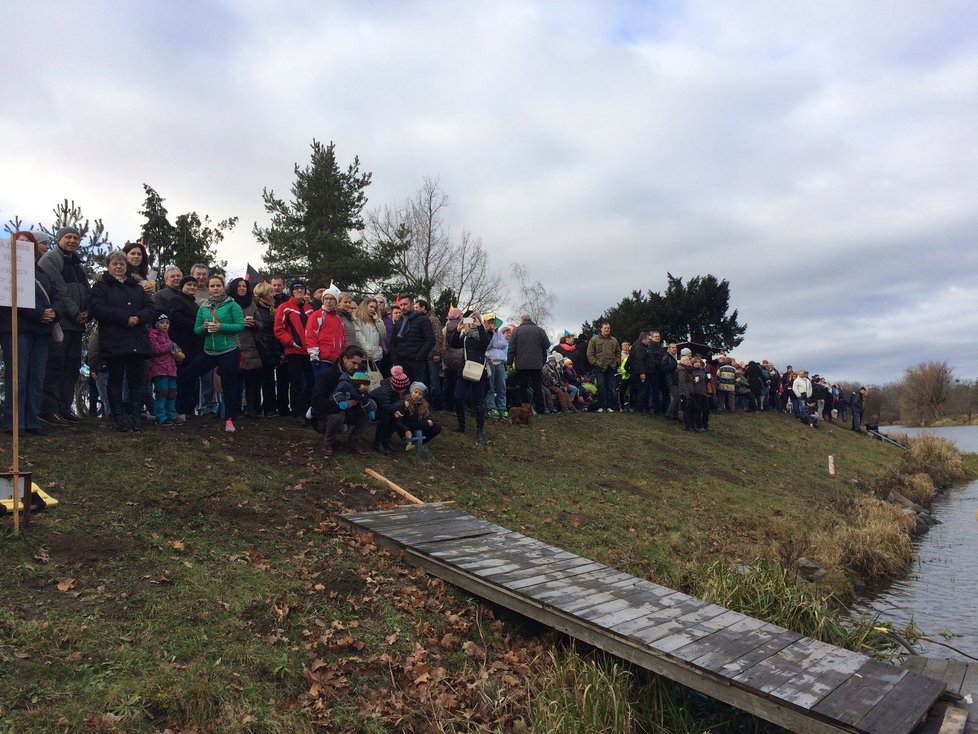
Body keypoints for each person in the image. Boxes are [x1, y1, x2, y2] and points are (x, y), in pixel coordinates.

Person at [1, 232, 66, 436]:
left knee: (37, 376)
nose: (24, 246)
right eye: (19, 243)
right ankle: (13, 421)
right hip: (17, 329)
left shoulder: (42, 273)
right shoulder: (6, 271)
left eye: (28, 243)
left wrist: (54, 312)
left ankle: (31, 419)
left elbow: (57, 296)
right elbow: (9, 301)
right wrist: (38, 314)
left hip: (41, 332)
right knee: (18, 376)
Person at [89, 250, 157, 433]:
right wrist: (125, 318)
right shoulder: (101, 287)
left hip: (137, 338)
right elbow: (98, 308)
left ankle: (136, 416)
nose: (119, 267)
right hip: (114, 339)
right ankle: (118, 417)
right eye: (115, 264)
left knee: (137, 380)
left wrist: (138, 318)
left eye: (122, 264)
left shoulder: (136, 287)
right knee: (116, 379)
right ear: (108, 266)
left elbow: (150, 307)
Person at [38, 225, 91, 425]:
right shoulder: (51, 259)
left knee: (72, 366)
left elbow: (87, 290)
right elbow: (59, 290)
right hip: (61, 323)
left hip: (77, 324)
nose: (72, 241)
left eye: (76, 238)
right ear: (59, 239)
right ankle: (47, 409)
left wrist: (88, 312)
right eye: (68, 237)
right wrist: (76, 313)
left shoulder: (77, 264)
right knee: (55, 365)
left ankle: (64, 407)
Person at [178, 274, 245, 433]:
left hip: (229, 349)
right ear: (208, 289)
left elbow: (240, 326)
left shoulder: (232, 305)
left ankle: (229, 418)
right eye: (212, 286)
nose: (215, 288)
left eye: (218, 286)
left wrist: (221, 326)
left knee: (228, 383)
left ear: (223, 288)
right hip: (209, 350)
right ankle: (181, 411)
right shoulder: (204, 307)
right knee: (188, 375)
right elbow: (197, 330)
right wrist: (205, 328)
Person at [309, 345, 368, 456]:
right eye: (353, 363)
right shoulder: (327, 376)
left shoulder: (358, 377)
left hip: (348, 411)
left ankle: (354, 442)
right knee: (337, 415)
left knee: (368, 409)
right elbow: (316, 402)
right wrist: (341, 405)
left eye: (359, 364)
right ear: (345, 358)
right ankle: (327, 443)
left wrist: (363, 395)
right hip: (325, 416)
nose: (356, 367)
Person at [274, 280, 314, 421]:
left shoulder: (310, 308)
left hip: (309, 352)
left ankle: (308, 411)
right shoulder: (284, 307)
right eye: (296, 289)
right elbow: (279, 329)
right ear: (291, 291)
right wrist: (291, 342)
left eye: (301, 288)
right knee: (297, 382)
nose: (299, 291)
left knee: (310, 381)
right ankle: (297, 412)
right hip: (293, 351)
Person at [450, 313, 491, 443]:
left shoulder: (484, 333)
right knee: (457, 397)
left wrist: (480, 327)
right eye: (471, 319)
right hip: (465, 369)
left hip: (479, 371)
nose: (472, 322)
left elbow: (485, 343)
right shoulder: (466, 334)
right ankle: (461, 425)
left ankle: (480, 431)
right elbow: (454, 344)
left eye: (475, 319)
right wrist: (458, 329)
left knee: (478, 401)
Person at [228, 277, 264, 418]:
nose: (242, 288)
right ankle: (235, 410)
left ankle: (252, 409)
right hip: (234, 345)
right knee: (235, 382)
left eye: (244, 286)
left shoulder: (252, 305)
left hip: (251, 347)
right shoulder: (228, 304)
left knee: (253, 383)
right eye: (239, 286)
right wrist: (239, 323)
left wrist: (254, 323)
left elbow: (261, 325)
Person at [251, 282, 282, 416]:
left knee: (268, 378)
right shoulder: (259, 310)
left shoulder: (270, 309)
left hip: (270, 347)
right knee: (261, 379)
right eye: (270, 292)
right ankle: (263, 407)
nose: (273, 295)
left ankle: (268, 407)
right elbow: (263, 330)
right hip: (263, 347)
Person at [508, 315, 549, 415]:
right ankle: (540, 409)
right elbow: (547, 345)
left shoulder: (517, 331)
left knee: (523, 387)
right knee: (537, 387)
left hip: (521, 364)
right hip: (536, 364)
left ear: (522, 321)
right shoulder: (540, 330)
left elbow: (511, 348)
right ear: (531, 320)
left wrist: (509, 362)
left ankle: (524, 408)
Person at [391, 295, 435, 384]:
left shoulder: (423, 319)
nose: (403, 307)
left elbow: (431, 340)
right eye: (401, 305)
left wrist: (419, 357)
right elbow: (393, 342)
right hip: (401, 362)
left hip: (417, 362)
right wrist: (395, 359)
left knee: (418, 390)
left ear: (411, 304)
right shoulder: (398, 322)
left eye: (405, 304)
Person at [148, 314, 182, 425]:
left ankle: (171, 415)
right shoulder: (153, 336)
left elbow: (174, 351)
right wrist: (169, 346)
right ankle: (161, 417)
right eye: (162, 323)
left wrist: (178, 355)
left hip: (171, 370)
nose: (165, 325)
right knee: (162, 393)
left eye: (167, 323)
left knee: (172, 393)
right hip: (159, 369)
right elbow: (156, 349)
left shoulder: (168, 336)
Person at [370, 364, 411, 455]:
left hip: (385, 408)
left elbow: (391, 405)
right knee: (386, 418)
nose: (404, 390)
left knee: (395, 418)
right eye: (402, 389)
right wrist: (402, 403)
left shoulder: (394, 390)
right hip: (373, 409)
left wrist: (396, 409)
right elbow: (386, 408)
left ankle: (386, 440)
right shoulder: (384, 392)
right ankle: (378, 442)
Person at [393, 382, 442, 457]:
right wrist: (406, 430)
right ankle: (410, 441)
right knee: (422, 423)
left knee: (436, 427)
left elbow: (428, 415)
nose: (417, 395)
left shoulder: (424, 404)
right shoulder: (405, 403)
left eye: (420, 394)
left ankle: (417, 443)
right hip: (406, 429)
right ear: (411, 391)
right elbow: (398, 421)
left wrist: (429, 420)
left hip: (419, 427)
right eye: (415, 392)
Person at [304, 288, 345, 376]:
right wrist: (314, 355)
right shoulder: (317, 315)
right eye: (326, 298)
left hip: (336, 360)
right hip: (322, 360)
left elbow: (343, 338)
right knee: (322, 387)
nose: (328, 301)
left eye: (331, 299)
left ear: (336, 301)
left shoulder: (339, 319)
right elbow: (310, 335)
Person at [416, 299, 444, 410]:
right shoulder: (419, 320)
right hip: (423, 355)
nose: (415, 310)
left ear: (423, 308)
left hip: (432, 356)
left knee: (434, 381)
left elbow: (438, 337)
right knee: (425, 380)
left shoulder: (433, 319)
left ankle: (437, 404)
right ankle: (426, 403)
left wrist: (437, 353)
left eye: (417, 307)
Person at [587, 322, 619, 413]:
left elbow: (618, 352)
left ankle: (609, 406)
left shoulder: (614, 340)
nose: (607, 330)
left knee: (610, 387)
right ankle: (601, 406)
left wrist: (616, 363)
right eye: (605, 328)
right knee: (601, 386)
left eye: (608, 328)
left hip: (611, 367)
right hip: (599, 367)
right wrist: (595, 363)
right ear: (601, 329)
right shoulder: (594, 339)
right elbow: (590, 353)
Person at [484, 318, 510, 418]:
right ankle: (491, 407)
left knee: (502, 387)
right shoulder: (486, 333)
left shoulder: (499, 333)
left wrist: (494, 342)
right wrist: (494, 338)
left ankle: (502, 408)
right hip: (490, 362)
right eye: (489, 323)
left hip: (500, 363)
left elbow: (504, 344)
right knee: (490, 386)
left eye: (493, 323)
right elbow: (487, 346)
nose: (492, 325)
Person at [353, 297, 385, 369]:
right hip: (364, 357)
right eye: (371, 306)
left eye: (375, 308)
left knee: (376, 379)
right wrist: (368, 351)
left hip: (376, 357)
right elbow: (359, 338)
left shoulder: (375, 321)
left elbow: (383, 336)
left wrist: (378, 321)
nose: (373, 309)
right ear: (365, 306)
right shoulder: (357, 320)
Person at [647, 331, 668, 414]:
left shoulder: (660, 347)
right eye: (655, 336)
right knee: (655, 390)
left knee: (664, 390)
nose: (657, 337)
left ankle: (663, 408)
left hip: (662, 372)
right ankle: (655, 408)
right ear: (651, 337)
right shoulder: (650, 347)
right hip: (654, 372)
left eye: (658, 336)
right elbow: (652, 360)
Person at [662, 343, 681, 420]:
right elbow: (664, 368)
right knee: (676, 397)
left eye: (675, 347)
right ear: (669, 349)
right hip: (671, 380)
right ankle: (669, 414)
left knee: (678, 398)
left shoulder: (675, 357)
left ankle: (675, 415)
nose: (674, 348)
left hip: (676, 380)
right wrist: (675, 366)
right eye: (672, 347)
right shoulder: (666, 357)